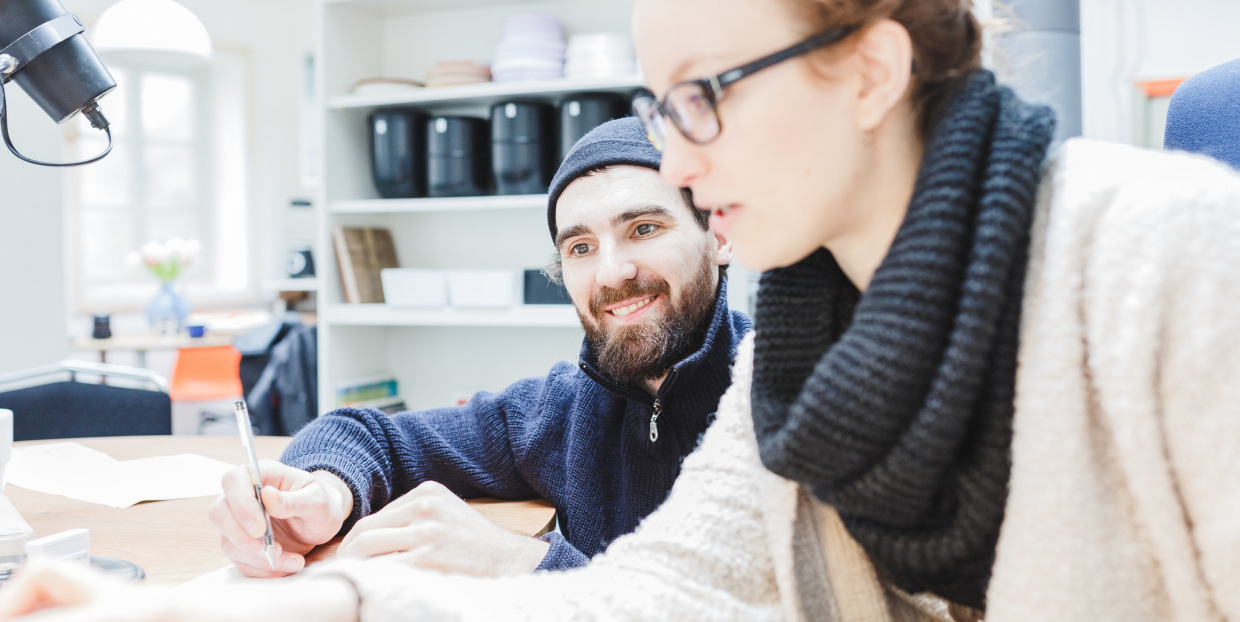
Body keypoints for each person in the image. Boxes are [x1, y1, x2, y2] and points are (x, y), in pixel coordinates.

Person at [5, 0, 1240, 620]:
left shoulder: (1171, 256)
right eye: (661, 111)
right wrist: (164, 608)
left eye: (702, 96)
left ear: (868, 69)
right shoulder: (813, 354)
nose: (679, 162)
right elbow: (640, 596)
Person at [207, 116, 750, 578]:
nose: (611, 271)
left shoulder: (788, 402)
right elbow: (374, 435)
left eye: (645, 228)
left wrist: (523, 564)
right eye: (581, 247)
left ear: (720, 235)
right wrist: (323, 495)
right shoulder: (564, 410)